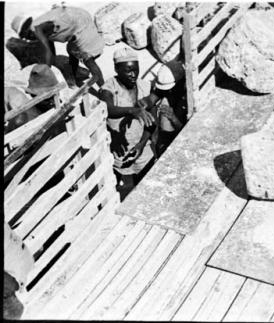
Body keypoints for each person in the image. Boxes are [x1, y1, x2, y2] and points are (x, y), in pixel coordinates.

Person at [100, 47, 156, 199]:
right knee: (117, 188)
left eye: (136, 70)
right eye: (128, 70)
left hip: (141, 149)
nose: (133, 74)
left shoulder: (145, 87)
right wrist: (133, 110)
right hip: (118, 150)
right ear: (116, 69)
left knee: (146, 189)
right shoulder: (109, 88)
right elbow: (109, 109)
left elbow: (152, 122)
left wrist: (141, 144)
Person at [11, 4, 105, 88]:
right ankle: (74, 75)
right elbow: (50, 49)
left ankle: (104, 89)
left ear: (26, 31)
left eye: (24, 37)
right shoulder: (39, 27)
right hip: (74, 17)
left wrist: (45, 72)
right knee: (72, 50)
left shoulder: (37, 29)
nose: (26, 40)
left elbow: (47, 51)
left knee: (87, 58)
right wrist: (49, 65)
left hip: (79, 21)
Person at [138, 61, 187, 154]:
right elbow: (152, 99)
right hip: (164, 135)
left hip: (179, 137)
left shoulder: (188, 97)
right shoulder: (167, 88)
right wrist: (144, 103)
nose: (168, 91)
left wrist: (174, 118)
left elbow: (188, 131)